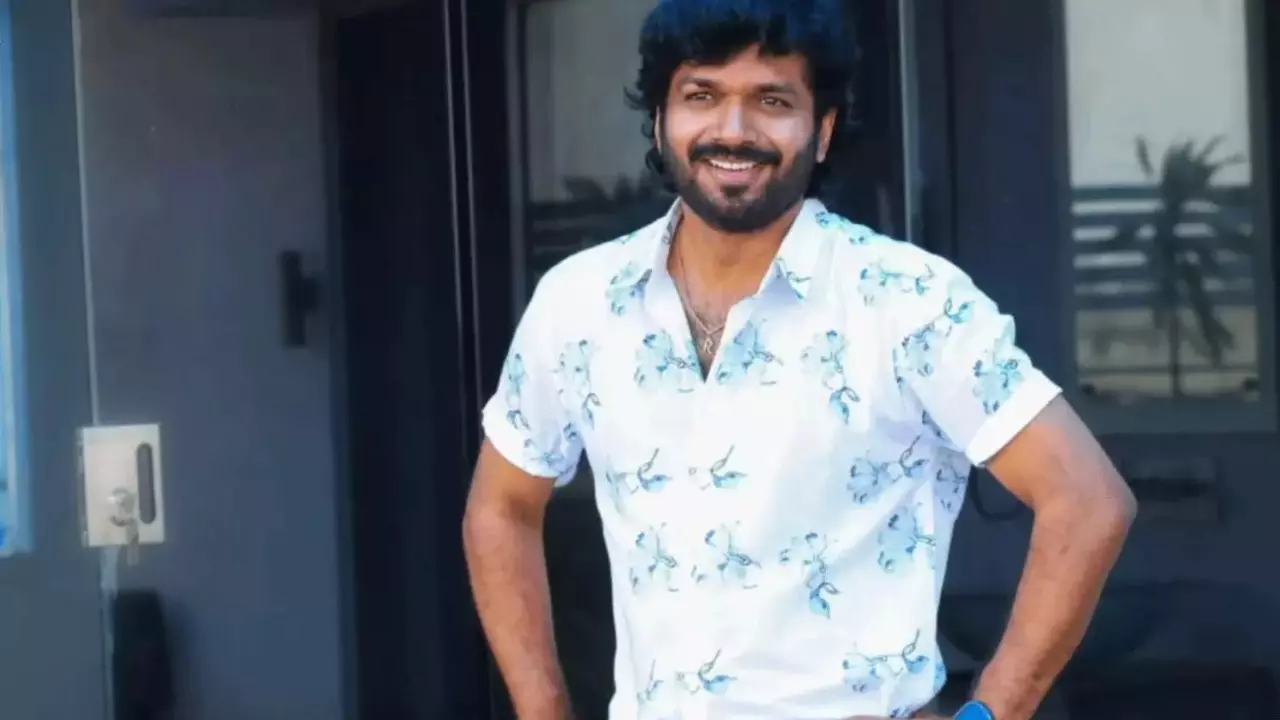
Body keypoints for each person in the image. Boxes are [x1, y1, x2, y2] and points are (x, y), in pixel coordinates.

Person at [463, 0, 1136, 718]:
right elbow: (501, 506)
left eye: (772, 101)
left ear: (823, 130)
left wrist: (986, 713)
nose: (733, 129)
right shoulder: (580, 303)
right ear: (660, 120)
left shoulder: (908, 300)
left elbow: (1087, 501)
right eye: (701, 95)